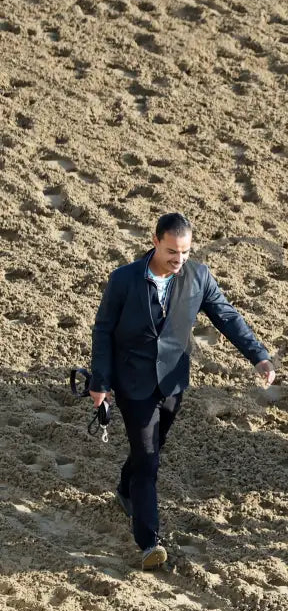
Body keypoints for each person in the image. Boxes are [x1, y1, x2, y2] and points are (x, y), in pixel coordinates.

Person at [89, 212, 275, 569]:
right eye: (173, 251)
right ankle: (148, 541)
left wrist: (259, 357)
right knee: (148, 458)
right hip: (133, 383)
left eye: (186, 252)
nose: (179, 260)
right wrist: (100, 382)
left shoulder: (198, 276)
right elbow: (103, 331)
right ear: (155, 240)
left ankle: (125, 490)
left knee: (152, 449)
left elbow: (227, 316)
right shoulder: (123, 279)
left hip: (173, 381)